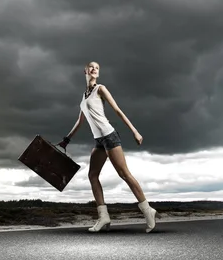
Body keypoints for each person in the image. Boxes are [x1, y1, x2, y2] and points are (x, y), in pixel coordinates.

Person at [58, 61, 159, 233]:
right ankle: (103, 216)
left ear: (98, 72)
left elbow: (118, 110)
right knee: (93, 175)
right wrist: (67, 139)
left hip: (109, 136)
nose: (94, 69)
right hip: (99, 140)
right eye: (91, 67)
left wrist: (135, 131)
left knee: (124, 174)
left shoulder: (100, 89)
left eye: (97, 68)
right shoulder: (84, 96)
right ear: (85, 71)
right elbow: (81, 120)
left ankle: (148, 210)